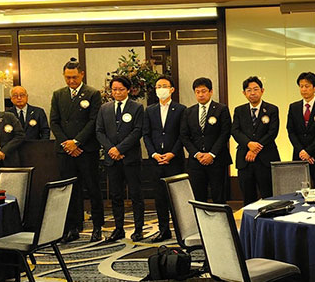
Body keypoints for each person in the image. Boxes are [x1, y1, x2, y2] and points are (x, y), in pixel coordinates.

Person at [50, 58, 104, 243]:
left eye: (74, 77)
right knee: (69, 190)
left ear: (82, 75)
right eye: (67, 77)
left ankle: (97, 227)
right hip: (65, 151)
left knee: (93, 188)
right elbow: (54, 122)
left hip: (86, 150)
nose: (71, 81)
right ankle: (72, 227)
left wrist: (77, 142)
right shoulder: (58, 94)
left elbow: (93, 121)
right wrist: (67, 144)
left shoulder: (93, 93)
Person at [95, 75, 145, 242]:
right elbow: (99, 131)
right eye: (114, 89)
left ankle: (138, 229)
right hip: (112, 159)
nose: (117, 92)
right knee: (116, 195)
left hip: (130, 158)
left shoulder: (137, 107)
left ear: (128, 90)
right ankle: (118, 228)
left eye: (121, 89)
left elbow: (137, 131)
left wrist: (120, 149)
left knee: (136, 195)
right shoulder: (104, 108)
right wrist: (111, 149)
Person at [142, 75, 186, 242]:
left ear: (172, 89)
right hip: (156, 161)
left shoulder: (181, 109)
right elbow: (146, 134)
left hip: (174, 160)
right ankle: (163, 230)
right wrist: (153, 154)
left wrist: (172, 153)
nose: (161, 89)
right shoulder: (150, 110)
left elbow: (182, 135)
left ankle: (181, 231)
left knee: (176, 198)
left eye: (164, 86)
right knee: (159, 198)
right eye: (158, 86)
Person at [180, 77, 232, 204]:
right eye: (197, 92)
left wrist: (211, 154)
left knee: (218, 196)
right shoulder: (189, 112)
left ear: (211, 91)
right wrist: (197, 154)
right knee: (198, 197)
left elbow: (225, 133)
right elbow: (184, 136)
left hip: (217, 160)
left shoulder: (221, 109)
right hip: (196, 162)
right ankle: (201, 218)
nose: (200, 95)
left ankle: (219, 218)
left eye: (203, 91)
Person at [231, 76, 279, 204]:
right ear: (244, 93)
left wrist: (255, 149)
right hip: (245, 160)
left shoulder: (272, 109)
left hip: (265, 159)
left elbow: (272, 132)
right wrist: (248, 144)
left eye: (256, 89)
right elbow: (235, 131)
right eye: (249, 90)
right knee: (248, 198)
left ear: (262, 91)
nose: (252, 93)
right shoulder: (239, 110)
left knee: (269, 197)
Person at [286, 72, 315, 189]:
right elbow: (290, 131)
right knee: (300, 190)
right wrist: (302, 151)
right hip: (300, 155)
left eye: (307, 86)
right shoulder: (293, 107)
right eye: (301, 86)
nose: (304, 89)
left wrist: (309, 152)